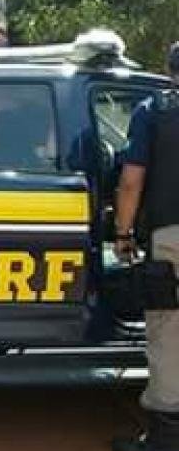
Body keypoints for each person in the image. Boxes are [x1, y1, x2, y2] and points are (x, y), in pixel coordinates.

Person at [114, 42, 179, 451]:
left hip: (171, 236)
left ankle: (167, 437)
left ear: (170, 70)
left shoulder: (154, 111)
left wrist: (123, 234)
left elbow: (131, 180)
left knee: (169, 332)